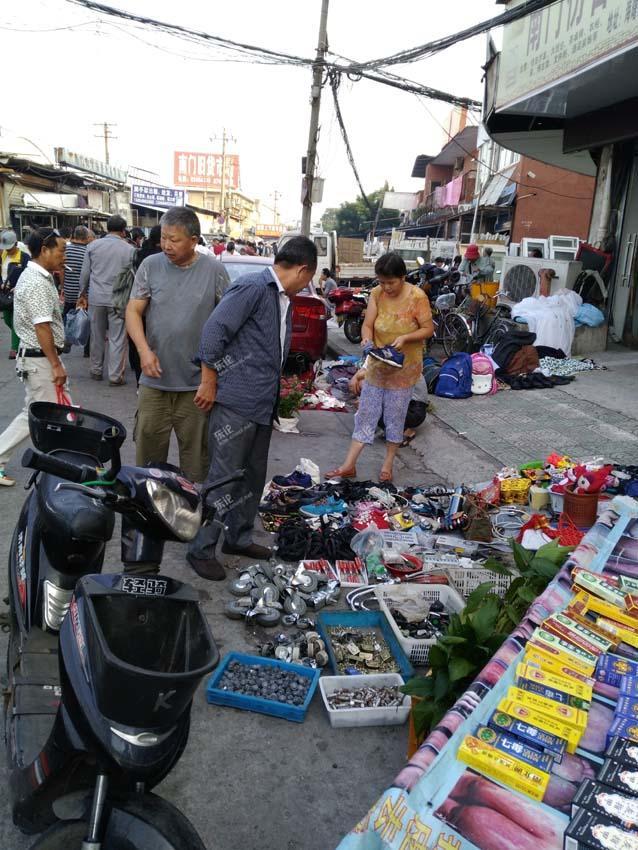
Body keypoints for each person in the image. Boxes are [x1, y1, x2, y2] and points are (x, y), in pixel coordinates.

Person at [187, 236, 318, 580]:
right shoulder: (253, 287)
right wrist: (209, 380)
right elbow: (214, 330)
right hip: (236, 401)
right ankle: (201, 548)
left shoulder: (280, 297)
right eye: (310, 278)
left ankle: (238, 537)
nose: (308, 285)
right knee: (224, 477)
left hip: (262, 403)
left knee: (251, 477)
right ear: (304, 270)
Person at [126, 207, 230, 485]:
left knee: (196, 466)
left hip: (196, 387)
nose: (166, 246)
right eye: (163, 238)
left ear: (194, 240)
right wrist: (144, 351)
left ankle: (192, 517)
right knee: (147, 464)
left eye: (174, 240)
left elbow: (227, 326)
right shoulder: (150, 266)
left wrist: (212, 378)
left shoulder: (214, 271)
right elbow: (133, 311)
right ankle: (150, 518)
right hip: (154, 383)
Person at [325, 252, 433, 483]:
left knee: (395, 417)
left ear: (402, 277)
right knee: (366, 413)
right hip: (378, 364)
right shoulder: (376, 294)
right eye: (382, 282)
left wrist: (405, 338)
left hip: (404, 368)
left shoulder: (417, 296)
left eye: (391, 282)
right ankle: (349, 465)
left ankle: (387, 464)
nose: (386, 287)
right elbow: (367, 325)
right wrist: (366, 340)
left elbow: (428, 329)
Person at [0, 228, 69, 486]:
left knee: (53, 413)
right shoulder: (37, 282)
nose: (64, 255)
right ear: (45, 250)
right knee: (40, 415)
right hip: (40, 361)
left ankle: (65, 465)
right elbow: (42, 327)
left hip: (40, 359)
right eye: (61, 250)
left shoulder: (40, 276)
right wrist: (55, 364)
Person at [77, 214, 136, 386]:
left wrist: (82, 293)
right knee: (118, 338)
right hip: (119, 299)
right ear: (123, 231)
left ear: (107, 228)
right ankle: (115, 376)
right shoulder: (129, 249)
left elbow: (85, 273)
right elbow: (133, 276)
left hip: (97, 297)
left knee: (97, 335)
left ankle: (96, 370)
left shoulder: (93, 246)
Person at [349, 367, 428, 446]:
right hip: (408, 406)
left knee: (372, 405)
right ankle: (392, 430)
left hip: (414, 411)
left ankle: (406, 432)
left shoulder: (403, 366)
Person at [128, 225, 162, 385]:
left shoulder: (139, 253)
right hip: (153, 310)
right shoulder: (158, 260)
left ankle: (139, 380)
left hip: (138, 303)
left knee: (136, 344)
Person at [1, 230, 30, 359]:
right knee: (7, 319)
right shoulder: (2, 255)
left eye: (10, 247)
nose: (8, 250)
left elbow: (28, 275)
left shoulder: (24, 257)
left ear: (16, 244)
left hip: (17, 293)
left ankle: (14, 348)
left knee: (14, 319)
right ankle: (21, 338)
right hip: (3, 293)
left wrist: (17, 287)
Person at [62, 226, 93, 347]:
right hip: (84, 292)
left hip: (69, 289)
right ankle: (86, 346)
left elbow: (62, 270)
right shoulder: (88, 251)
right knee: (86, 318)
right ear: (86, 237)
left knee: (68, 314)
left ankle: (66, 338)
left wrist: (63, 286)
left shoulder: (66, 249)